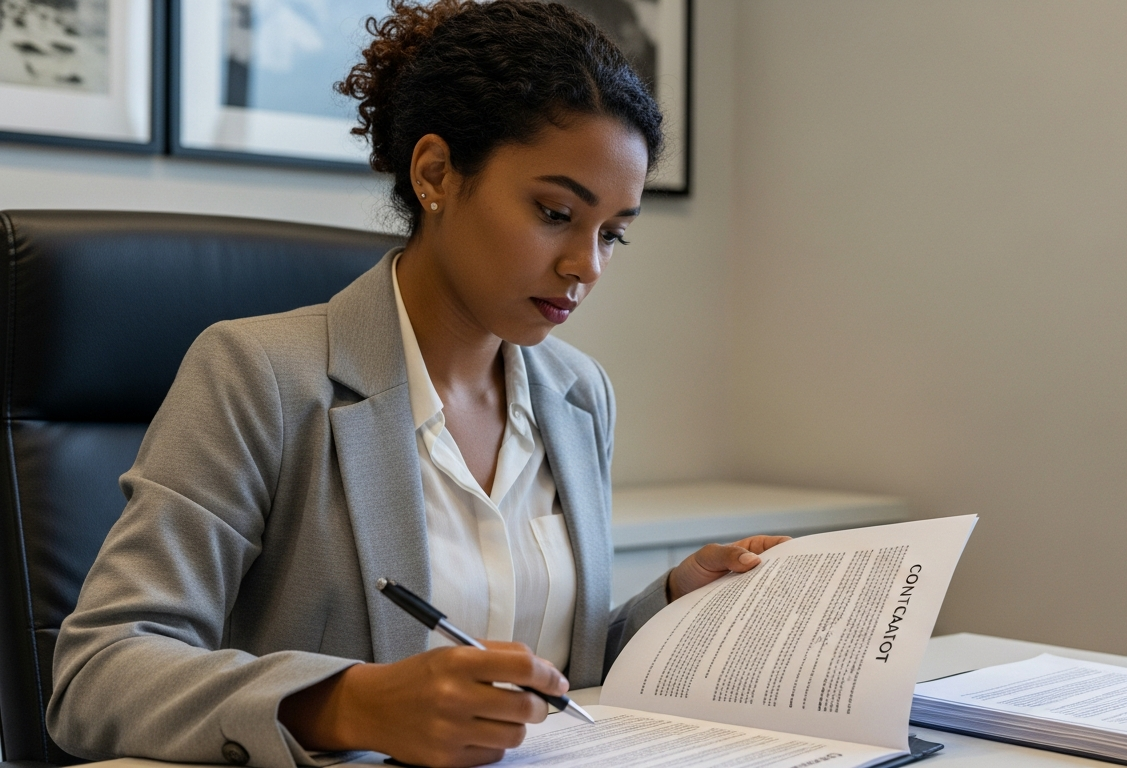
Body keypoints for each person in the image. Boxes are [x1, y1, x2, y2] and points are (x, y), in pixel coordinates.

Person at [46, 3, 785, 767]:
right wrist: (350, 705)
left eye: (612, 233)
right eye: (555, 212)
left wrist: (672, 604)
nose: (586, 265)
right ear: (435, 173)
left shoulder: (577, 394)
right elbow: (97, 675)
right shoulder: (257, 375)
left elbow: (557, 670)